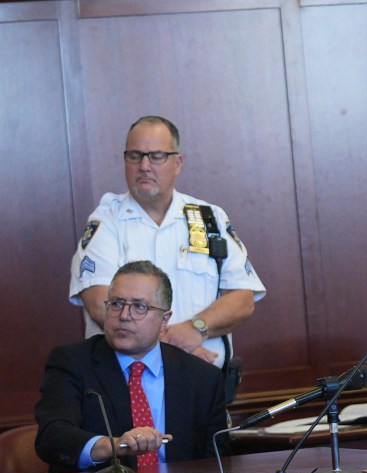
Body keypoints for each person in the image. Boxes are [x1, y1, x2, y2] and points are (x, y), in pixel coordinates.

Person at [70, 115, 266, 370]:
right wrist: (172, 346)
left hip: (204, 385)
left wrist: (196, 329)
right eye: (135, 155)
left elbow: (242, 298)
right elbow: (99, 303)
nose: (144, 166)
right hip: (128, 382)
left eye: (157, 156)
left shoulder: (209, 219)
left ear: (177, 163)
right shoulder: (106, 222)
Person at [36, 261, 229, 473]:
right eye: (117, 303)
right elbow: (52, 438)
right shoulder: (72, 362)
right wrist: (115, 445)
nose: (124, 315)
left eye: (139, 306)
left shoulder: (203, 378)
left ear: (164, 320)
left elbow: (216, 465)